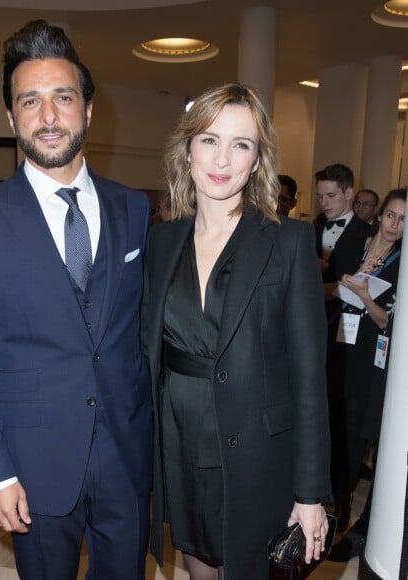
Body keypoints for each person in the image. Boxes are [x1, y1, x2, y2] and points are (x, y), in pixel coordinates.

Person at [0, 20, 152, 580]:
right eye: (29, 101)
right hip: (31, 463)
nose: (48, 116)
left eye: (63, 97)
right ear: (12, 117)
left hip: (127, 456)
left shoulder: (134, 209)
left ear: (88, 108)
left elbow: (145, 331)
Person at [141, 82, 331, 580]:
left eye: (240, 144)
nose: (222, 158)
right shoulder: (161, 242)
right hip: (179, 440)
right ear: (187, 149)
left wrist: (310, 493)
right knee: (197, 558)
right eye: (209, 139)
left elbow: (311, 379)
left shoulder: (288, 242)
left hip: (255, 450)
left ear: (256, 159)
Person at [326, 187, 404, 538]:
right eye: (391, 215)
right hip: (339, 337)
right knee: (329, 415)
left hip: (371, 349)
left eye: (403, 220)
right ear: (380, 214)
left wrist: (363, 294)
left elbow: (387, 319)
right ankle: (323, 496)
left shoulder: (402, 261)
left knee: (356, 424)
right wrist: (357, 275)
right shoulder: (358, 240)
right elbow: (332, 288)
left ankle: (342, 504)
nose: (395, 224)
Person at [315, 163, 372, 277]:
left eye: (331, 196)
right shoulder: (312, 230)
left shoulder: (368, 233)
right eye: (320, 197)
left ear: (348, 194)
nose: (323, 203)